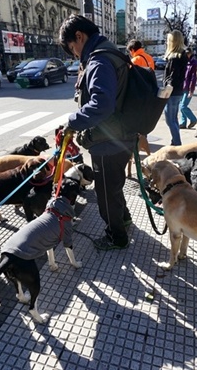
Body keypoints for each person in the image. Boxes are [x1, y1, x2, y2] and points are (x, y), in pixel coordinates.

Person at [59, 14, 135, 250]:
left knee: (105, 194)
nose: (75, 55)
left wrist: (72, 122)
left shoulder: (99, 60)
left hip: (107, 141)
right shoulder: (109, 52)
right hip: (120, 135)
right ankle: (125, 219)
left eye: (72, 48)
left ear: (79, 37)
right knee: (114, 186)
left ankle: (117, 237)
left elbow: (101, 104)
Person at [162, 30, 188, 145]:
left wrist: (166, 89)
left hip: (171, 92)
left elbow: (172, 77)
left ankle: (177, 143)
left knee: (170, 120)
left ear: (172, 41)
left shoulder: (174, 57)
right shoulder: (182, 54)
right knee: (174, 118)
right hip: (178, 91)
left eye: (168, 40)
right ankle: (175, 141)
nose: (167, 42)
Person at [179, 48, 197, 129]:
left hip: (188, 88)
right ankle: (183, 122)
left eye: (188, 53)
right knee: (181, 105)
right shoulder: (184, 62)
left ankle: (193, 119)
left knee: (183, 106)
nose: (186, 55)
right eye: (185, 53)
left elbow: (193, 78)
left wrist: (191, 90)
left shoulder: (194, 63)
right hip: (182, 87)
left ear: (191, 53)